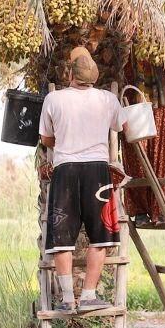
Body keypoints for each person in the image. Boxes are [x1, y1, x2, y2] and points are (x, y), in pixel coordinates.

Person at [38, 47, 127, 312]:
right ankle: (88, 296)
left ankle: (66, 299)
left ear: (70, 74)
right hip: (97, 171)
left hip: (65, 170)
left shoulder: (54, 99)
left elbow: (45, 139)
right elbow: (122, 128)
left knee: (62, 238)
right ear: (94, 77)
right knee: (100, 236)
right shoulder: (108, 100)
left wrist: (65, 138)